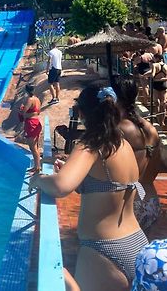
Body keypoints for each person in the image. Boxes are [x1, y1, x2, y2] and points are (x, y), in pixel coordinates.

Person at [29, 84, 148, 290]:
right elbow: (109, 185)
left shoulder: (92, 145)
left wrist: (38, 179)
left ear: (82, 113)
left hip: (104, 249)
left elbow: (60, 186)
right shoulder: (123, 144)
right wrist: (73, 170)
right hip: (136, 242)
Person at [113, 76, 162, 233]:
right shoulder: (150, 128)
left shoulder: (118, 129)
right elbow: (156, 165)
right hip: (151, 200)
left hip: (130, 203)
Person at [18, 83, 42, 174]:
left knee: (33, 147)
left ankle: (37, 168)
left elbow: (23, 113)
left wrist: (21, 109)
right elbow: (37, 113)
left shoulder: (30, 99)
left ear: (26, 91)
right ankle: (37, 167)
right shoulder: (37, 99)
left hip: (31, 124)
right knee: (35, 146)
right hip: (37, 123)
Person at [150, 54, 167, 127]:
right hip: (164, 85)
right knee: (163, 103)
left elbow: (152, 75)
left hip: (156, 85)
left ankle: (158, 119)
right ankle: (162, 122)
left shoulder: (155, 65)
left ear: (157, 58)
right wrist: (162, 78)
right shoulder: (166, 66)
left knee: (157, 102)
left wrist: (157, 78)